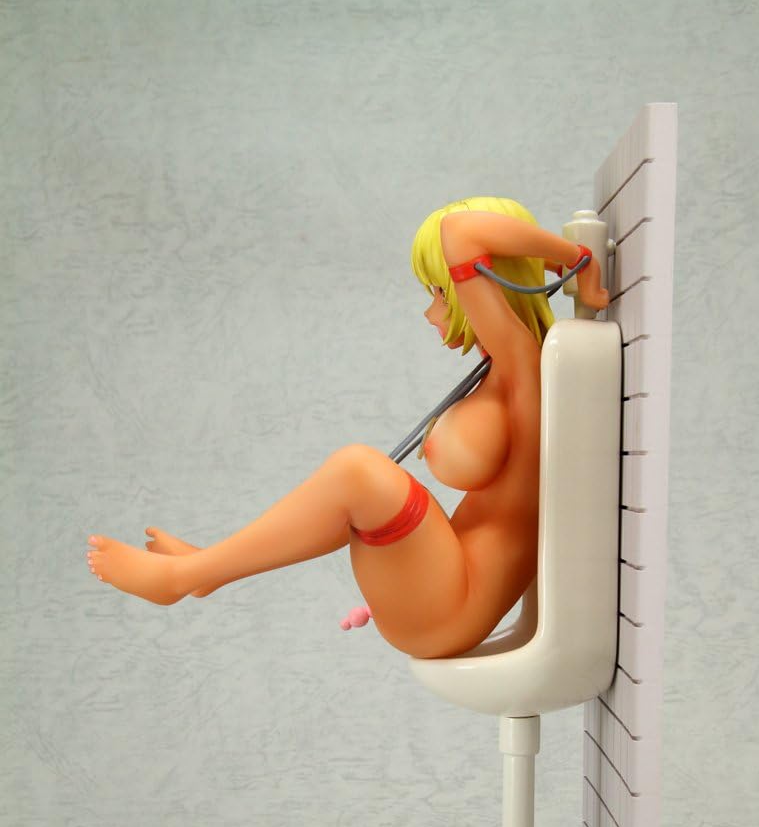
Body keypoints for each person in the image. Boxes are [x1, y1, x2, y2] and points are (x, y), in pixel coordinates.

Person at [86, 197, 608, 659]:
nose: (431, 312)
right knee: (358, 477)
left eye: (441, 292)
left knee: (360, 471)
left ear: (491, 284)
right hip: (442, 592)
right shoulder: (496, 373)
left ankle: (187, 577)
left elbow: (461, 232)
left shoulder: (524, 367)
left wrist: (576, 259)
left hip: (457, 608)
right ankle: (206, 569)